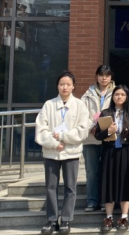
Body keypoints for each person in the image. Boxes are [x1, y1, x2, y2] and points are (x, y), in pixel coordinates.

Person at [35, 71, 89, 235]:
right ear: (57, 86)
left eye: (68, 84)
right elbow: (41, 129)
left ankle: (66, 219)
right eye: (61, 84)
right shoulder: (49, 105)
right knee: (50, 187)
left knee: (70, 187)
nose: (65, 87)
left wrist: (64, 137)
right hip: (51, 153)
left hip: (71, 152)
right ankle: (52, 219)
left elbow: (83, 130)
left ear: (73, 86)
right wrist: (54, 143)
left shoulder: (80, 105)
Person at [95, 85, 129, 233]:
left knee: (125, 183)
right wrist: (109, 131)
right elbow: (98, 135)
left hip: (126, 152)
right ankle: (108, 217)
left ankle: (124, 217)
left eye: (122, 95)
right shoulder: (106, 113)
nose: (119, 97)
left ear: (127, 97)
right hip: (109, 151)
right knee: (109, 183)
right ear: (112, 97)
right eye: (116, 94)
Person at [81, 65, 116, 213]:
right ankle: (92, 201)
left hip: (109, 137)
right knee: (91, 171)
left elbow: (119, 112)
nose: (104, 78)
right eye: (101, 75)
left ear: (111, 77)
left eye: (107, 75)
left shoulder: (116, 93)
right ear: (96, 76)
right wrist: (91, 126)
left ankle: (104, 201)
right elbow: (81, 115)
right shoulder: (87, 94)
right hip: (91, 137)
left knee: (107, 171)